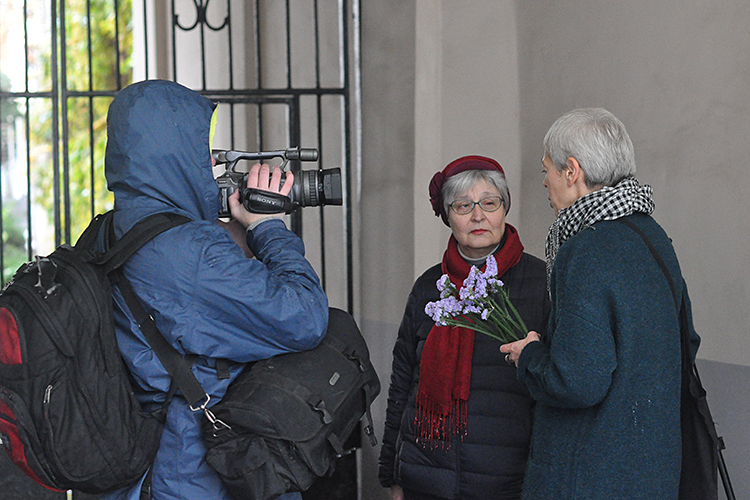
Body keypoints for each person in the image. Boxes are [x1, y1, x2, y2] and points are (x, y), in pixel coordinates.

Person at [99, 79, 329, 500]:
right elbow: (304, 318)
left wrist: (229, 233)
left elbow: (186, 306)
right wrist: (267, 227)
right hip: (192, 474)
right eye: (199, 146)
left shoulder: (111, 230)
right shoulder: (190, 252)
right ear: (174, 153)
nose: (209, 160)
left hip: (140, 465)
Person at [500, 108, 701, 499]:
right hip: (652, 469)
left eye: (547, 171)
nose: (545, 183)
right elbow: (686, 342)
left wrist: (530, 356)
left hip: (591, 474)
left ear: (571, 171)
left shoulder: (586, 249)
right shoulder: (652, 236)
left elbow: (577, 381)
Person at [378, 156, 551, 500]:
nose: (478, 216)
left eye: (490, 203)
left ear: (504, 209)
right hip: (425, 480)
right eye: (463, 205)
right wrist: (393, 476)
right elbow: (402, 386)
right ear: (447, 215)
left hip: (507, 484)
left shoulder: (541, 283)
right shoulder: (429, 286)